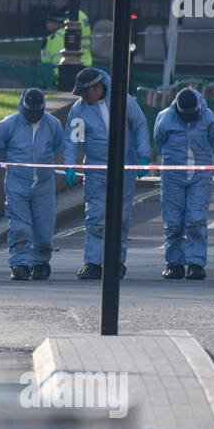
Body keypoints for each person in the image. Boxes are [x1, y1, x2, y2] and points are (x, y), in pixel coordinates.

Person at [64, 66, 150, 280]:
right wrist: (70, 166)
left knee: (120, 217)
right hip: (96, 169)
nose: (83, 96)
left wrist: (143, 156)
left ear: (97, 87)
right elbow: (72, 141)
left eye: (85, 91)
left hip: (125, 167)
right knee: (95, 217)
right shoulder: (79, 109)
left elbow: (139, 126)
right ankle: (92, 262)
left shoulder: (124, 101)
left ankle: (117, 262)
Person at [0, 87, 64, 281]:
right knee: (20, 227)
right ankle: (19, 263)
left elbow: (58, 146)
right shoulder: (9, 124)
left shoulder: (53, 125)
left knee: (44, 228)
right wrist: (15, 166)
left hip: (44, 183)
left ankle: (40, 262)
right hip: (17, 182)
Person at [153, 87, 214, 280]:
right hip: (173, 176)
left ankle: (196, 263)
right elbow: (158, 142)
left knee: (196, 219)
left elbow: (213, 140)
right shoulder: (164, 118)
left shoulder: (208, 117)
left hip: (200, 175)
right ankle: (174, 263)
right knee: (173, 221)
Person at [41, 0, 92, 66]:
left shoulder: (70, 16)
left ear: (66, 1)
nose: (56, 3)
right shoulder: (82, 15)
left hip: (75, 61)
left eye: (58, 0)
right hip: (85, 60)